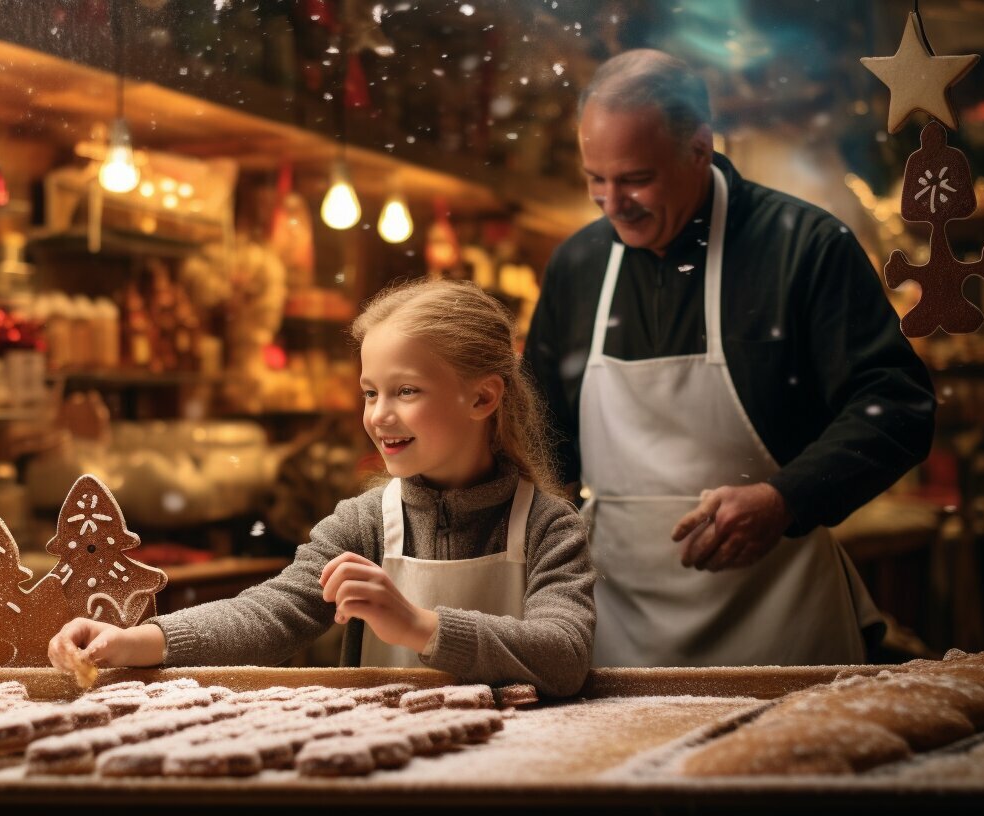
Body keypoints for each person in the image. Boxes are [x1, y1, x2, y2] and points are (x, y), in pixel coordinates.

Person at [523, 50, 936, 668]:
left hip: (781, 619)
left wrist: (785, 497)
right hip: (617, 627)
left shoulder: (803, 248)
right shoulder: (577, 266)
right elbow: (542, 441)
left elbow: (897, 404)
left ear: (698, 149)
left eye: (635, 178)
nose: (613, 203)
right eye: (595, 179)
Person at [50, 279, 597, 696]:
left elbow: (565, 655)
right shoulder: (363, 523)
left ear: (482, 399)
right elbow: (271, 613)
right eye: (369, 393)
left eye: (406, 391)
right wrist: (140, 639)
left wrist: (416, 624)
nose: (379, 416)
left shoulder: (549, 526)